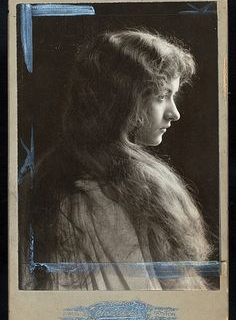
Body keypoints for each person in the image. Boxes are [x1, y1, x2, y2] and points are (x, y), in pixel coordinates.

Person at [19, 29, 212, 291]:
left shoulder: (43, 178)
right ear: (124, 101)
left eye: (173, 97)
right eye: (161, 96)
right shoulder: (124, 190)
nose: (174, 113)